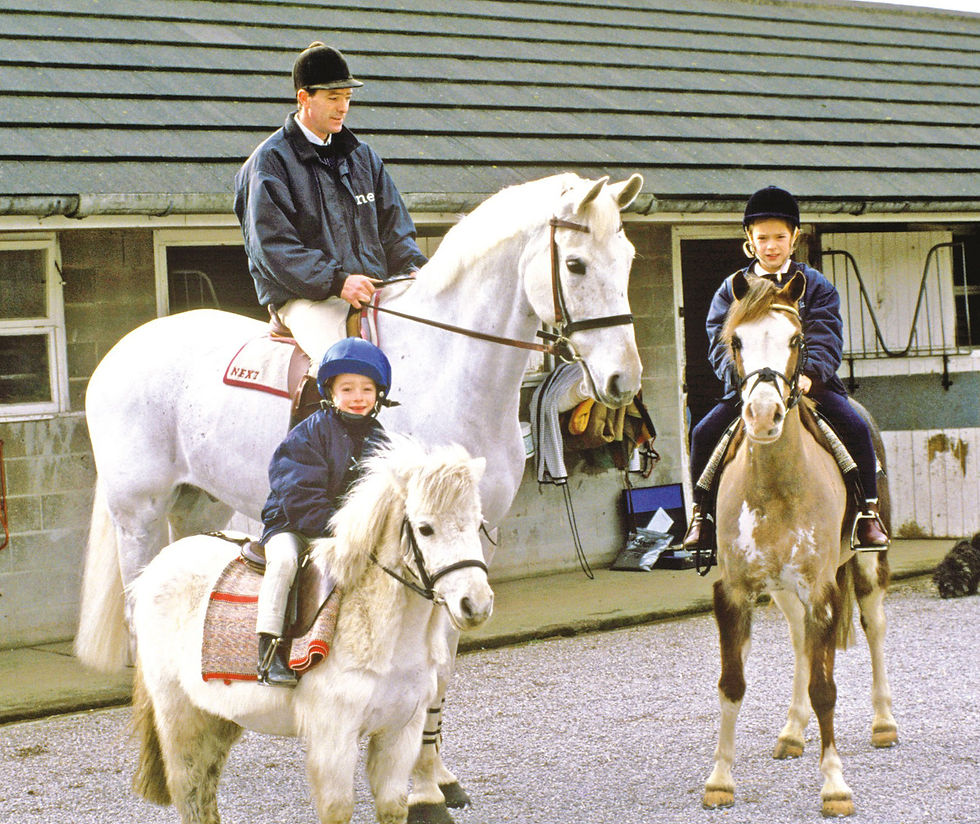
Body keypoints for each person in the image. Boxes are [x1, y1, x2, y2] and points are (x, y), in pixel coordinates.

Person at [682, 185, 889, 562]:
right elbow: (718, 342)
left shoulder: (816, 286)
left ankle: (867, 514)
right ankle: (703, 517)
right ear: (750, 239)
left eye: (779, 237)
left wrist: (811, 373)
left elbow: (826, 334)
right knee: (703, 433)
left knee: (856, 426)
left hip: (808, 385)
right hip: (749, 387)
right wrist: (741, 383)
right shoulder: (731, 291)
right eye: (762, 238)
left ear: (794, 237)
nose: (771, 246)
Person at [234, 42, 428, 365]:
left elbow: (396, 229)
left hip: (370, 292)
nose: (343, 108)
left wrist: (414, 268)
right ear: (303, 98)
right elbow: (273, 249)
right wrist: (337, 282)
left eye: (348, 98)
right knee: (348, 369)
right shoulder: (268, 163)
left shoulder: (363, 157)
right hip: (306, 299)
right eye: (333, 98)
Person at [255, 337, 391, 686]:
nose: (357, 397)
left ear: (378, 394)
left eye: (366, 389)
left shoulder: (381, 439)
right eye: (347, 389)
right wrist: (343, 531)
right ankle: (271, 649)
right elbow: (299, 495)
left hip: (347, 530)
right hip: (293, 524)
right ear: (331, 393)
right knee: (284, 562)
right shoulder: (308, 434)